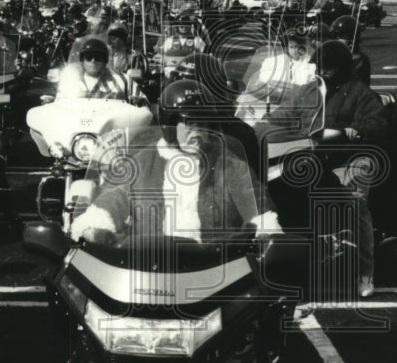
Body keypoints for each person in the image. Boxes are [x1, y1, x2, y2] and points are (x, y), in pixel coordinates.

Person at [70, 78, 282, 245]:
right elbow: (111, 200)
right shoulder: (143, 162)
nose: (198, 130)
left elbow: (255, 203)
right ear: (169, 125)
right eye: (189, 123)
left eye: (203, 121)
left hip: (213, 269)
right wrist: (95, 230)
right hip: (150, 269)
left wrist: (265, 232)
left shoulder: (228, 164)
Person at [257, 40, 388, 298]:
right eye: (322, 67)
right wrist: (260, 126)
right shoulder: (306, 92)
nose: (324, 72)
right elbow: (281, 116)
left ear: (342, 68)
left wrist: (357, 131)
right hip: (308, 157)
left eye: (330, 68)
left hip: (348, 159)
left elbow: (377, 125)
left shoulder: (361, 94)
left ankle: (365, 273)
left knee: (355, 203)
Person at [56, 37, 129, 101]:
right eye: (89, 57)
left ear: (105, 60)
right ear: (82, 60)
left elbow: (138, 103)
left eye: (98, 57)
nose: (93, 61)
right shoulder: (70, 81)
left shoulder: (123, 80)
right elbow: (59, 105)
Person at [330, 15, 371, 86]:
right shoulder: (330, 55)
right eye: (336, 37)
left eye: (342, 37)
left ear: (352, 39)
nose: (337, 40)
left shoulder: (359, 59)